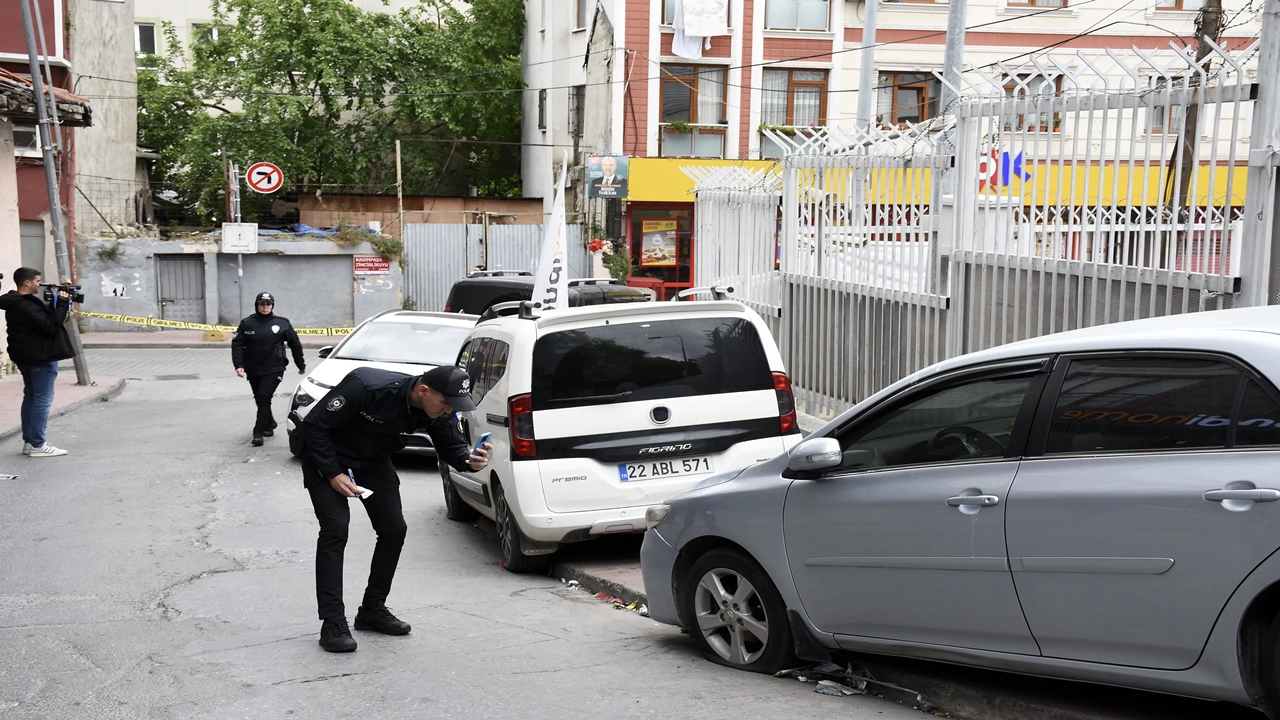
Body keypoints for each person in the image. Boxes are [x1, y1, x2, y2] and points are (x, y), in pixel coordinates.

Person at [299, 365, 492, 653]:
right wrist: (331, 472)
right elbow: (313, 426)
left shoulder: (437, 409)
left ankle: (372, 610)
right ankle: (332, 621)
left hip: (373, 460)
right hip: (327, 458)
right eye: (446, 403)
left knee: (393, 530)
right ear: (424, 390)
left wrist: (470, 461)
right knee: (335, 529)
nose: (449, 409)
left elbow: (452, 449)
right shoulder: (366, 386)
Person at [0, 267, 75, 458]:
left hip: (28, 355)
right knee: (42, 399)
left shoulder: (17, 302)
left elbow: (42, 320)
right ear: (27, 282)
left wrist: (56, 300)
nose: (39, 284)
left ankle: (30, 442)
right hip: (39, 356)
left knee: (32, 398)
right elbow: (49, 326)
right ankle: (37, 444)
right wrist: (63, 302)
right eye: (37, 281)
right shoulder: (23, 304)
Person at [231, 292, 305, 446]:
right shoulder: (247, 323)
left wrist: (300, 364)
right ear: (257, 305)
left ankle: (258, 432)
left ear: (272, 306)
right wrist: (239, 365)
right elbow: (237, 345)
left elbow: (295, 344)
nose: (265, 307)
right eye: (262, 304)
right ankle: (269, 422)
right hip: (253, 368)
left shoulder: (282, 323)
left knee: (264, 397)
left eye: (268, 304)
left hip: (274, 368)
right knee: (260, 398)